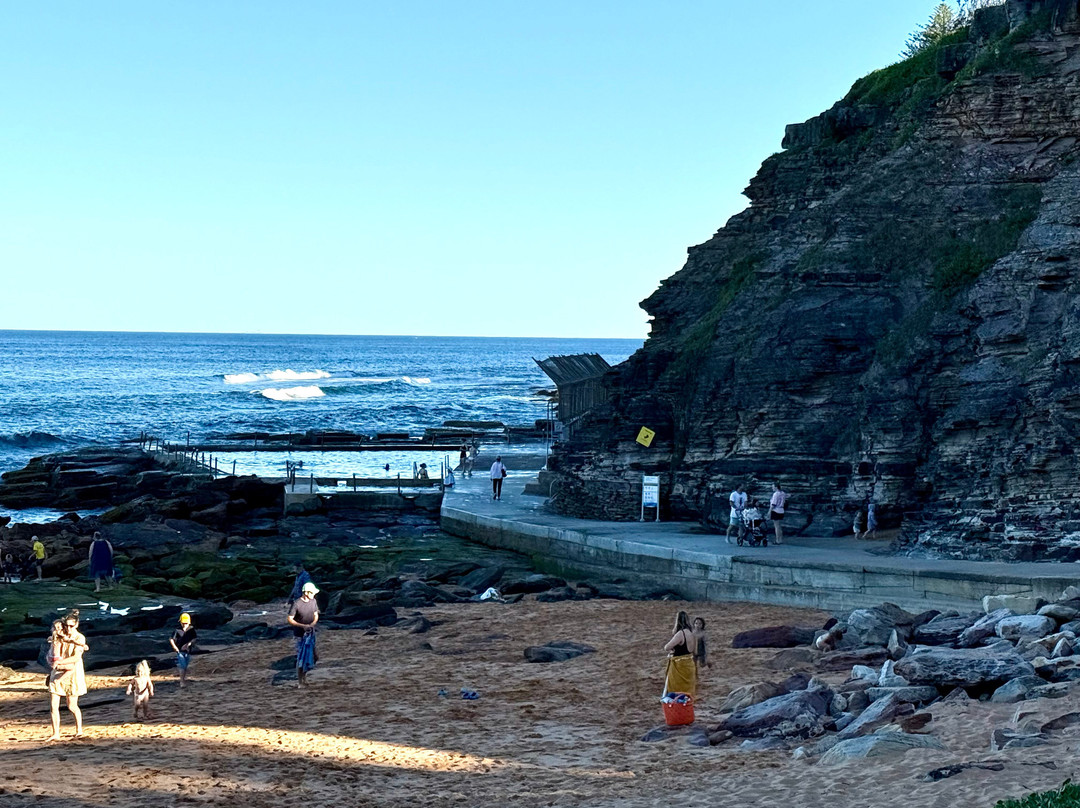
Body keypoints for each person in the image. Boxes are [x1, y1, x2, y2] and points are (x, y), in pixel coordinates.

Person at [47, 610, 87, 740]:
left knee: (72, 706)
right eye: (67, 626)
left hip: (73, 674)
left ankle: (79, 730)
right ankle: (55, 733)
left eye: (71, 626)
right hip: (57, 672)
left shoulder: (79, 638)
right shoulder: (59, 636)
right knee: (53, 705)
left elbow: (76, 657)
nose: (69, 628)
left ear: (76, 625)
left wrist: (59, 663)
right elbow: (51, 654)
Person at [287, 581, 320, 687]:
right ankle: (300, 681)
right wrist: (303, 626)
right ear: (306, 592)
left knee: (314, 656)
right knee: (301, 658)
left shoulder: (313, 601)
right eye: (312, 593)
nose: (313, 595)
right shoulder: (297, 603)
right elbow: (290, 619)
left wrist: (312, 624)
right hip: (299, 635)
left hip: (310, 633)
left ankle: (304, 677)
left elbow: (316, 614)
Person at [663, 610, 698, 697]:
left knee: (677, 688)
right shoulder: (692, 633)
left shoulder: (680, 634)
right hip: (689, 663)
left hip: (679, 665)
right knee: (688, 689)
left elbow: (667, 647)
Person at [169, 613, 197, 689]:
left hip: (188, 651)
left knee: (185, 666)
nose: (184, 625)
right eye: (183, 623)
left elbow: (194, 638)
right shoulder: (177, 630)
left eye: (186, 623)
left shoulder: (191, 629)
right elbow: (171, 639)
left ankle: (183, 679)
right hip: (179, 651)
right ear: (180, 622)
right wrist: (175, 647)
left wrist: (189, 644)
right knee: (183, 666)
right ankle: (182, 681)